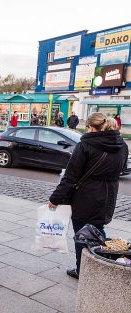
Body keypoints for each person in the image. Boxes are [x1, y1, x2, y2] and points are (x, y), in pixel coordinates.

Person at [48, 112, 128, 279]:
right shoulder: (122, 144)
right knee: (99, 231)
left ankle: (82, 270)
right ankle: (101, 268)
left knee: (83, 235)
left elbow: (71, 176)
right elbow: (119, 170)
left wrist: (55, 199)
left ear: (91, 127)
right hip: (108, 196)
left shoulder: (85, 145)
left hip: (85, 196)